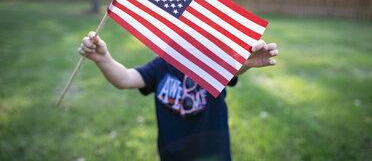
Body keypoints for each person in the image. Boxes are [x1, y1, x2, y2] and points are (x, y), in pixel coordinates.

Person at [78, 31, 278, 161]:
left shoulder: (211, 65)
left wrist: (246, 63)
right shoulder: (162, 65)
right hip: (172, 154)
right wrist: (103, 59)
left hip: (212, 153)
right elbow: (124, 79)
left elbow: (234, 70)